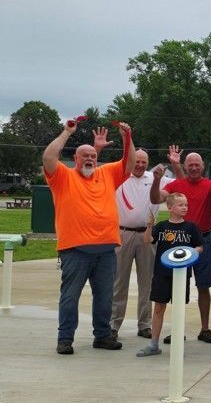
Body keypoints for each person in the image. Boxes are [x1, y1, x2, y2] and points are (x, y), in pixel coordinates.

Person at [45, 118, 135, 355]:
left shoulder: (107, 173)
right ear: (74, 159)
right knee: (70, 297)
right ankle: (65, 339)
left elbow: (129, 163)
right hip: (75, 251)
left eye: (93, 156)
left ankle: (103, 336)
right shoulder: (63, 177)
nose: (89, 159)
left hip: (106, 250)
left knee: (105, 297)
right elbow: (49, 158)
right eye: (84, 156)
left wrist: (127, 137)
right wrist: (67, 132)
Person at [151, 148, 211, 344]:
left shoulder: (209, 184)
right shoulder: (176, 185)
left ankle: (205, 329)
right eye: (190, 165)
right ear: (185, 166)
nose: (194, 168)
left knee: (204, 285)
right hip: (179, 240)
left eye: (197, 165)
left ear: (203, 166)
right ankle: (177, 329)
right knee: (177, 287)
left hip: (203, 240)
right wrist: (156, 180)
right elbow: (156, 198)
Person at [111, 147, 173, 341]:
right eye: (136, 161)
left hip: (147, 234)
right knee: (118, 282)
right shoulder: (119, 176)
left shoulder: (156, 178)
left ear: (148, 163)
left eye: (143, 162)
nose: (139, 165)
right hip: (123, 234)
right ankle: (113, 324)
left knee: (147, 282)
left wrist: (176, 164)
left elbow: (180, 183)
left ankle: (145, 324)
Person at [136, 193, 204, 357]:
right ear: (170, 207)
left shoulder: (191, 227)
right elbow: (147, 240)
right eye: (181, 205)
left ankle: (178, 344)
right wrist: (149, 226)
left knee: (179, 308)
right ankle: (153, 344)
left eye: (186, 205)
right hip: (162, 273)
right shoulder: (162, 226)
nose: (184, 208)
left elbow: (200, 247)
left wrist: (191, 251)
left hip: (181, 274)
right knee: (159, 307)